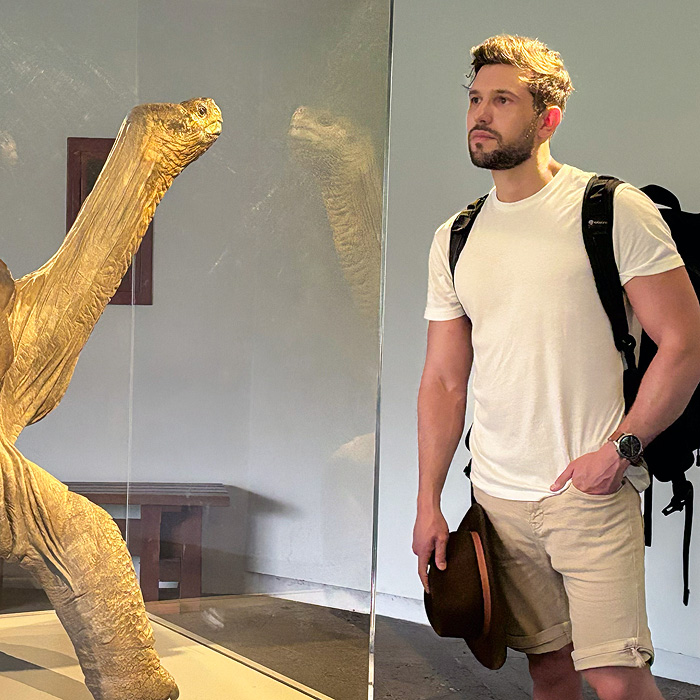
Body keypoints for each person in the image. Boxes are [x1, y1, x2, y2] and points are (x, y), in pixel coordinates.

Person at [412, 34, 700, 700]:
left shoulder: (609, 210)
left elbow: (684, 343)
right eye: (476, 99)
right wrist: (429, 502)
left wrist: (621, 451)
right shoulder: (455, 236)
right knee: (550, 668)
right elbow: (443, 380)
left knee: (617, 679)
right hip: (499, 497)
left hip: (590, 491)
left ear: (548, 118)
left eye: (503, 100)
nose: (481, 114)